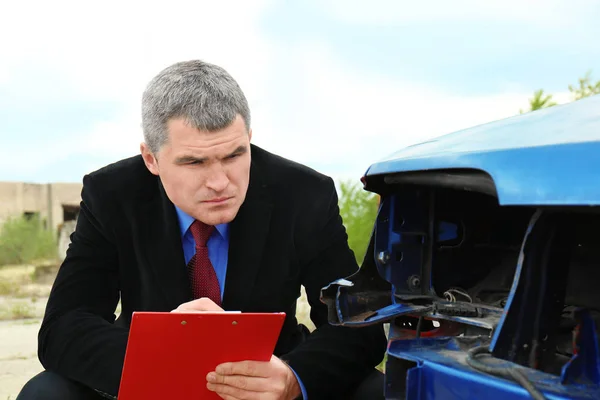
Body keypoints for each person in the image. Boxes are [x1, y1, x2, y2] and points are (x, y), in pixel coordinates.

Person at [17, 60, 386, 400]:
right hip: (150, 383)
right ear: (152, 159)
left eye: (234, 155)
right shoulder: (113, 195)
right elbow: (63, 327)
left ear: (249, 137)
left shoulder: (303, 194)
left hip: (265, 387)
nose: (219, 182)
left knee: (378, 391)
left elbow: (358, 324)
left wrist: (292, 377)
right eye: (194, 161)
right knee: (46, 393)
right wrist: (160, 362)